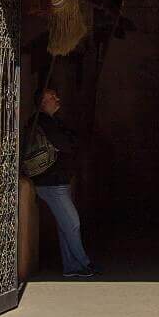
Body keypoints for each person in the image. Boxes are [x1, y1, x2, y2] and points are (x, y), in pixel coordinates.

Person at [31, 84, 96, 279]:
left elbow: (70, 142)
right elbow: (68, 144)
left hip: (55, 181)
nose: (57, 99)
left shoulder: (50, 122)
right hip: (52, 183)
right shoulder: (45, 123)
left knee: (65, 225)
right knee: (73, 223)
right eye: (52, 97)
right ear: (43, 102)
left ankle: (71, 266)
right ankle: (84, 263)